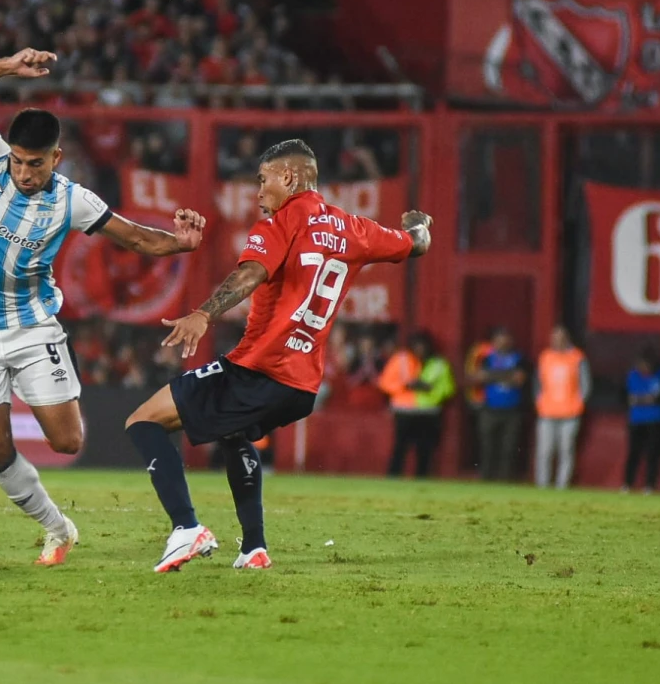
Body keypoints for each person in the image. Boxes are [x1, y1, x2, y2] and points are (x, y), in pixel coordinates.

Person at [0, 48, 206, 566]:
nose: (23, 172)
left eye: (35, 163)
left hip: (32, 326)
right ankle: (57, 529)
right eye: (18, 160)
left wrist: (180, 244)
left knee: (67, 440)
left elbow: (135, 239)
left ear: (56, 159)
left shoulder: (69, 199)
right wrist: (9, 67)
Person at [126, 138, 432, 573]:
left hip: (260, 367)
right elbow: (416, 243)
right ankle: (254, 547)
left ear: (288, 177)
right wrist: (419, 223)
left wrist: (203, 314)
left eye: (263, 179)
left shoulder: (281, 224)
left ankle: (186, 528)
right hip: (302, 383)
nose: (259, 191)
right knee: (235, 435)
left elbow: (251, 272)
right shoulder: (355, 229)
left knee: (142, 421)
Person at [378, 331, 455, 479]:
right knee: (400, 447)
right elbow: (385, 382)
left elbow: (448, 388)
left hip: (428, 412)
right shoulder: (400, 360)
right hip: (404, 411)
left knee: (425, 449)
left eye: (423, 346)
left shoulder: (439, 364)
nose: (421, 349)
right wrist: (405, 386)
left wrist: (429, 390)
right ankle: (393, 477)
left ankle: (422, 478)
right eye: (417, 346)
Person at [533, 326, 591, 489]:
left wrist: (579, 403)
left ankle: (562, 486)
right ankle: (542, 485)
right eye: (554, 337)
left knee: (566, 450)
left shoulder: (576, 357)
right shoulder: (545, 357)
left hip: (570, 412)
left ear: (567, 338)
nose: (557, 341)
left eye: (560, 337)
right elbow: (537, 383)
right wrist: (539, 401)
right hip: (547, 411)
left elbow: (585, 385)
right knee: (544, 451)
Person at [474, 328, 526, 481]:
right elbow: (480, 377)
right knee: (487, 446)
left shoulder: (519, 358)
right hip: (489, 408)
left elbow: (519, 379)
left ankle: (505, 479)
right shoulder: (487, 358)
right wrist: (507, 375)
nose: (502, 343)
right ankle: (485, 478)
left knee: (509, 448)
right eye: (499, 339)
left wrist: (493, 375)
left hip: (512, 409)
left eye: (505, 339)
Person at [624, 349, 660, 494]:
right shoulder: (632, 375)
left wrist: (656, 399)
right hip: (637, 419)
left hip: (656, 420)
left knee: (653, 454)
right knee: (634, 453)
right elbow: (622, 396)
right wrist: (632, 400)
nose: (644, 368)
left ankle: (649, 486)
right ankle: (627, 484)